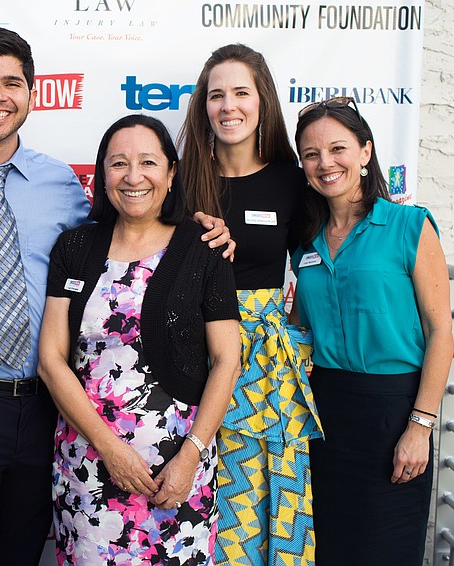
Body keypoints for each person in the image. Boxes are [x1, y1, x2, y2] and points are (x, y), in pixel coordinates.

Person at [0, 27, 233, 565]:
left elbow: (124, 231)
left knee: (22, 554)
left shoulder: (62, 185)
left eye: (11, 83)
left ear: (31, 93)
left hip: (54, 408)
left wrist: (197, 227)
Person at [37, 114, 242, 564]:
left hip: (178, 473)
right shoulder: (74, 248)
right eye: (118, 164)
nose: (133, 176)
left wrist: (190, 458)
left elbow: (228, 360)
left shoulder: (205, 247)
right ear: (102, 176)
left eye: (149, 162)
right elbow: (51, 361)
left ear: (171, 174)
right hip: (88, 468)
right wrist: (111, 450)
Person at [290, 96, 453, 565]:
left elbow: (441, 332)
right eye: (312, 154)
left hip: (393, 414)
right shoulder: (306, 243)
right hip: (323, 418)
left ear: (365, 152)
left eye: (338, 149)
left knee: (386, 550)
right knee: (330, 549)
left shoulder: (409, 225)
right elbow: (303, 327)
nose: (326, 164)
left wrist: (420, 427)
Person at [177, 44, 323, 565]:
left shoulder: (292, 179)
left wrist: (298, 338)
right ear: (203, 106)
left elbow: (320, 266)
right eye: (216, 95)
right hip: (192, 358)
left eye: (242, 92)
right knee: (197, 502)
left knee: (268, 510)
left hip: (268, 370)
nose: (229, 105)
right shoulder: (178, 180)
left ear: (263, 102)